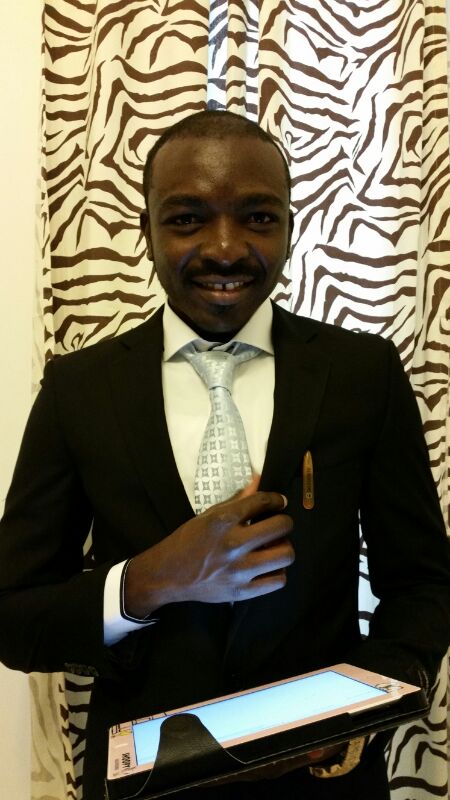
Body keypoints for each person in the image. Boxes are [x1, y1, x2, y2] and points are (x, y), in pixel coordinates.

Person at [0, 110, 448, 800]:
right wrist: (148, 580)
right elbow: (14, 616)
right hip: (144, 785)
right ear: (146, 228)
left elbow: (423, 583)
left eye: (258, 218)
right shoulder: (78, 389)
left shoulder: (363, 373)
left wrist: (363, 708)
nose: (227, 248)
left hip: (323, 781)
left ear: (290, 227)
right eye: (187, 219)